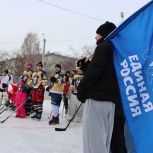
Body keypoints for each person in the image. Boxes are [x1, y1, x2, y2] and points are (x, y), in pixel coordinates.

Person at [77, 21, 126, 153]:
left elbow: (95, 72)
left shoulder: (104, 47)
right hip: (112, 102)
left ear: (104, 34)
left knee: (94, 142)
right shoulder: (119, 50)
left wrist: (80, 91)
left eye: (97, 34)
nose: (95, 37)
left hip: (97, 100)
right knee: (105, 141)